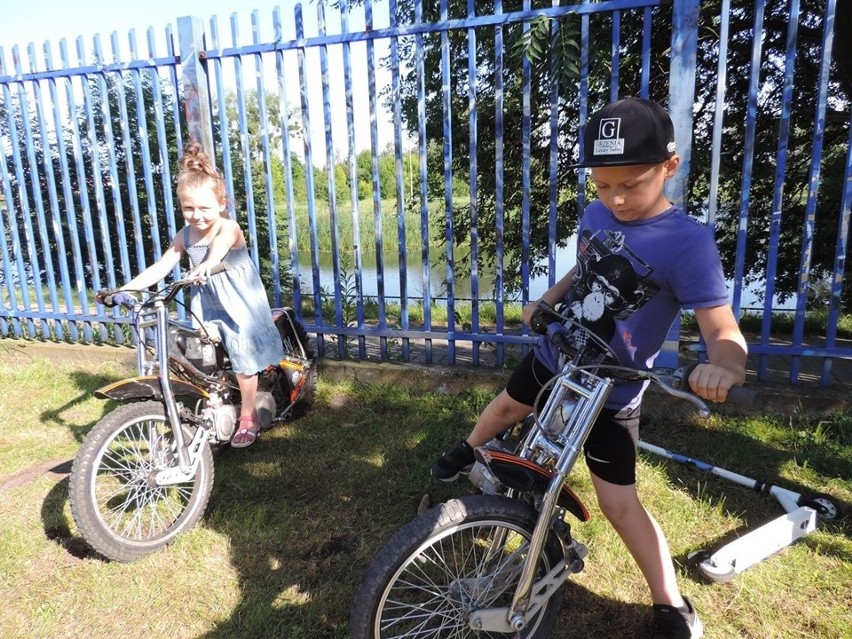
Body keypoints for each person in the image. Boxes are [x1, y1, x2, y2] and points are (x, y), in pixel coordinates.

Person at [430, 97, 747, 639]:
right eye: (603, 185)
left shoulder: (688, 242)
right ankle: (470, 450)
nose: (616, 198)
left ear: (669, 167)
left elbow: (723, 329)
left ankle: (670, 604)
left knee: (618, 503)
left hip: (612, 388)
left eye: (631, 183)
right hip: (557, 352)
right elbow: (585, 269)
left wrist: (725, 367)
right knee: (507, 406)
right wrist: (546, 299)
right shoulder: (598, 213)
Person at [98, 142, 284, 449]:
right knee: (206, 355)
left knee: (241, 356)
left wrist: (208, 265)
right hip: (208, 303)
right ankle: (218, 396)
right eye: (188, 208)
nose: (196, 215)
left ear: (222, 204)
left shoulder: (229, 227)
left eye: (204, 208)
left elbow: (218, 250)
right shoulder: (184, 235)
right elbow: (163, 265)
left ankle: (248, 415)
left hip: (238, 302)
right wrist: (126, 289)